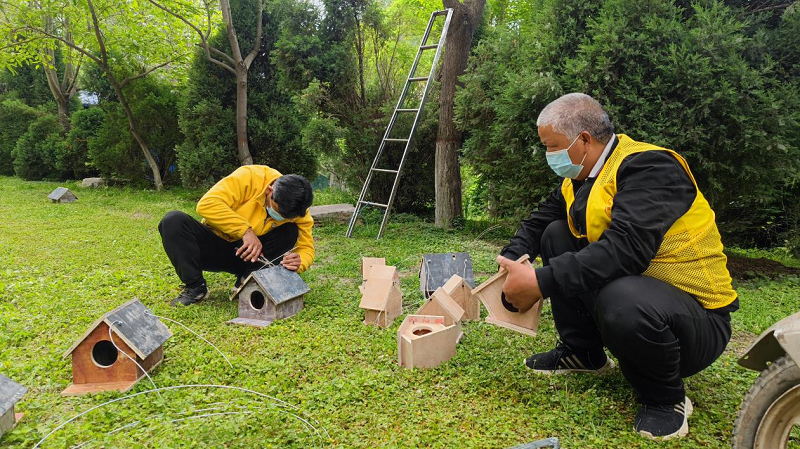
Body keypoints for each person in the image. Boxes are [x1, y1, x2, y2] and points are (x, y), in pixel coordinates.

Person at [497, 93, 737, 440]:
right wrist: (512, 259)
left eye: (552, 147)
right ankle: (584, 354)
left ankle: (665, 399)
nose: (549, 156)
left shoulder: (651, 168)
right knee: (555, 233)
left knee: (620, 296)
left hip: (696, 322)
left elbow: (627, 250)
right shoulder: (581, 177)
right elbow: (539, 222)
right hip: (642, 298)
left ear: (583, 140)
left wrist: (541, 281)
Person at [159, 165, 314, 306]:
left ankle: (247, 281)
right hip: (215, 246)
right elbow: (206, 204)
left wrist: (299, 262)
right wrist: (245, 230)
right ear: (269, 191)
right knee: (173, 221)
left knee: (290, 230)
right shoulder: (250, 176)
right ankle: (195, 287)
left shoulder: (298, 209)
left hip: (252, 258)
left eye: (285, 217)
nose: (280, 218)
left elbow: (306, 248)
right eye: (278, 212)